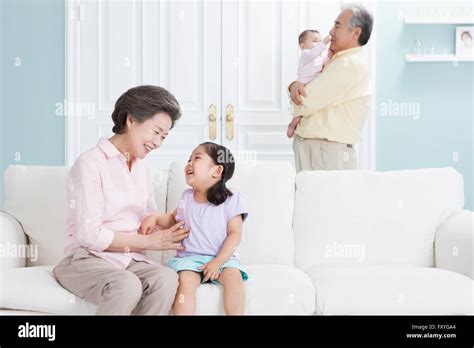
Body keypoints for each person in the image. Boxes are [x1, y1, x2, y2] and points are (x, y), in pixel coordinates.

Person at [53, 85, 189, 315]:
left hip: (128, 259)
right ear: (131, 120)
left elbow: (149, 220)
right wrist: (151, 242)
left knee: (166, 278)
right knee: (126, 284)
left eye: (163, 137)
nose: (158, 143)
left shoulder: (142, 169)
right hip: (85, 259)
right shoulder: (90, 164)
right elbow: (90, 235)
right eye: (156, 132)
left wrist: (180, 220)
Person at [140, 142, 248, 315]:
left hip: (223, 259)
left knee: (234, 278)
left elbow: (235, 234)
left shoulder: (233, 198)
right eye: (189, 159)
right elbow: (173, 219)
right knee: (185, 284)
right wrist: (155, 217)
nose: (189, 163)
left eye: (196, 158)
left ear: (217, 171)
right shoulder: (187, 197)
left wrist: (218, 262)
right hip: (190, 258)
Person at [288, 4, 374, 172]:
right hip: (320, 151)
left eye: (337, 26)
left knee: (320, 199)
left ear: (355, 33)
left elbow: (304, 99)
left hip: (325, 153)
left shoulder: (348, 64)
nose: (331, 32)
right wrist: (293, 86)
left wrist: (292, 87)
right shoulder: (336, 60)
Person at [287, 29, 332, 139]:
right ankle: (292, 125)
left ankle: (297, 125)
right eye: (315, 41)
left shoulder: (319, 57)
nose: (318, 44)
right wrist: (324, 43)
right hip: (302, 87)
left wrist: (329, 56)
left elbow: (324, 63)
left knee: (305, 112)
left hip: (311, 87)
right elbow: (313, 53)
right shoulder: (306, 54)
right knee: (299, 113)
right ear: (302, 46)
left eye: (320, 41)